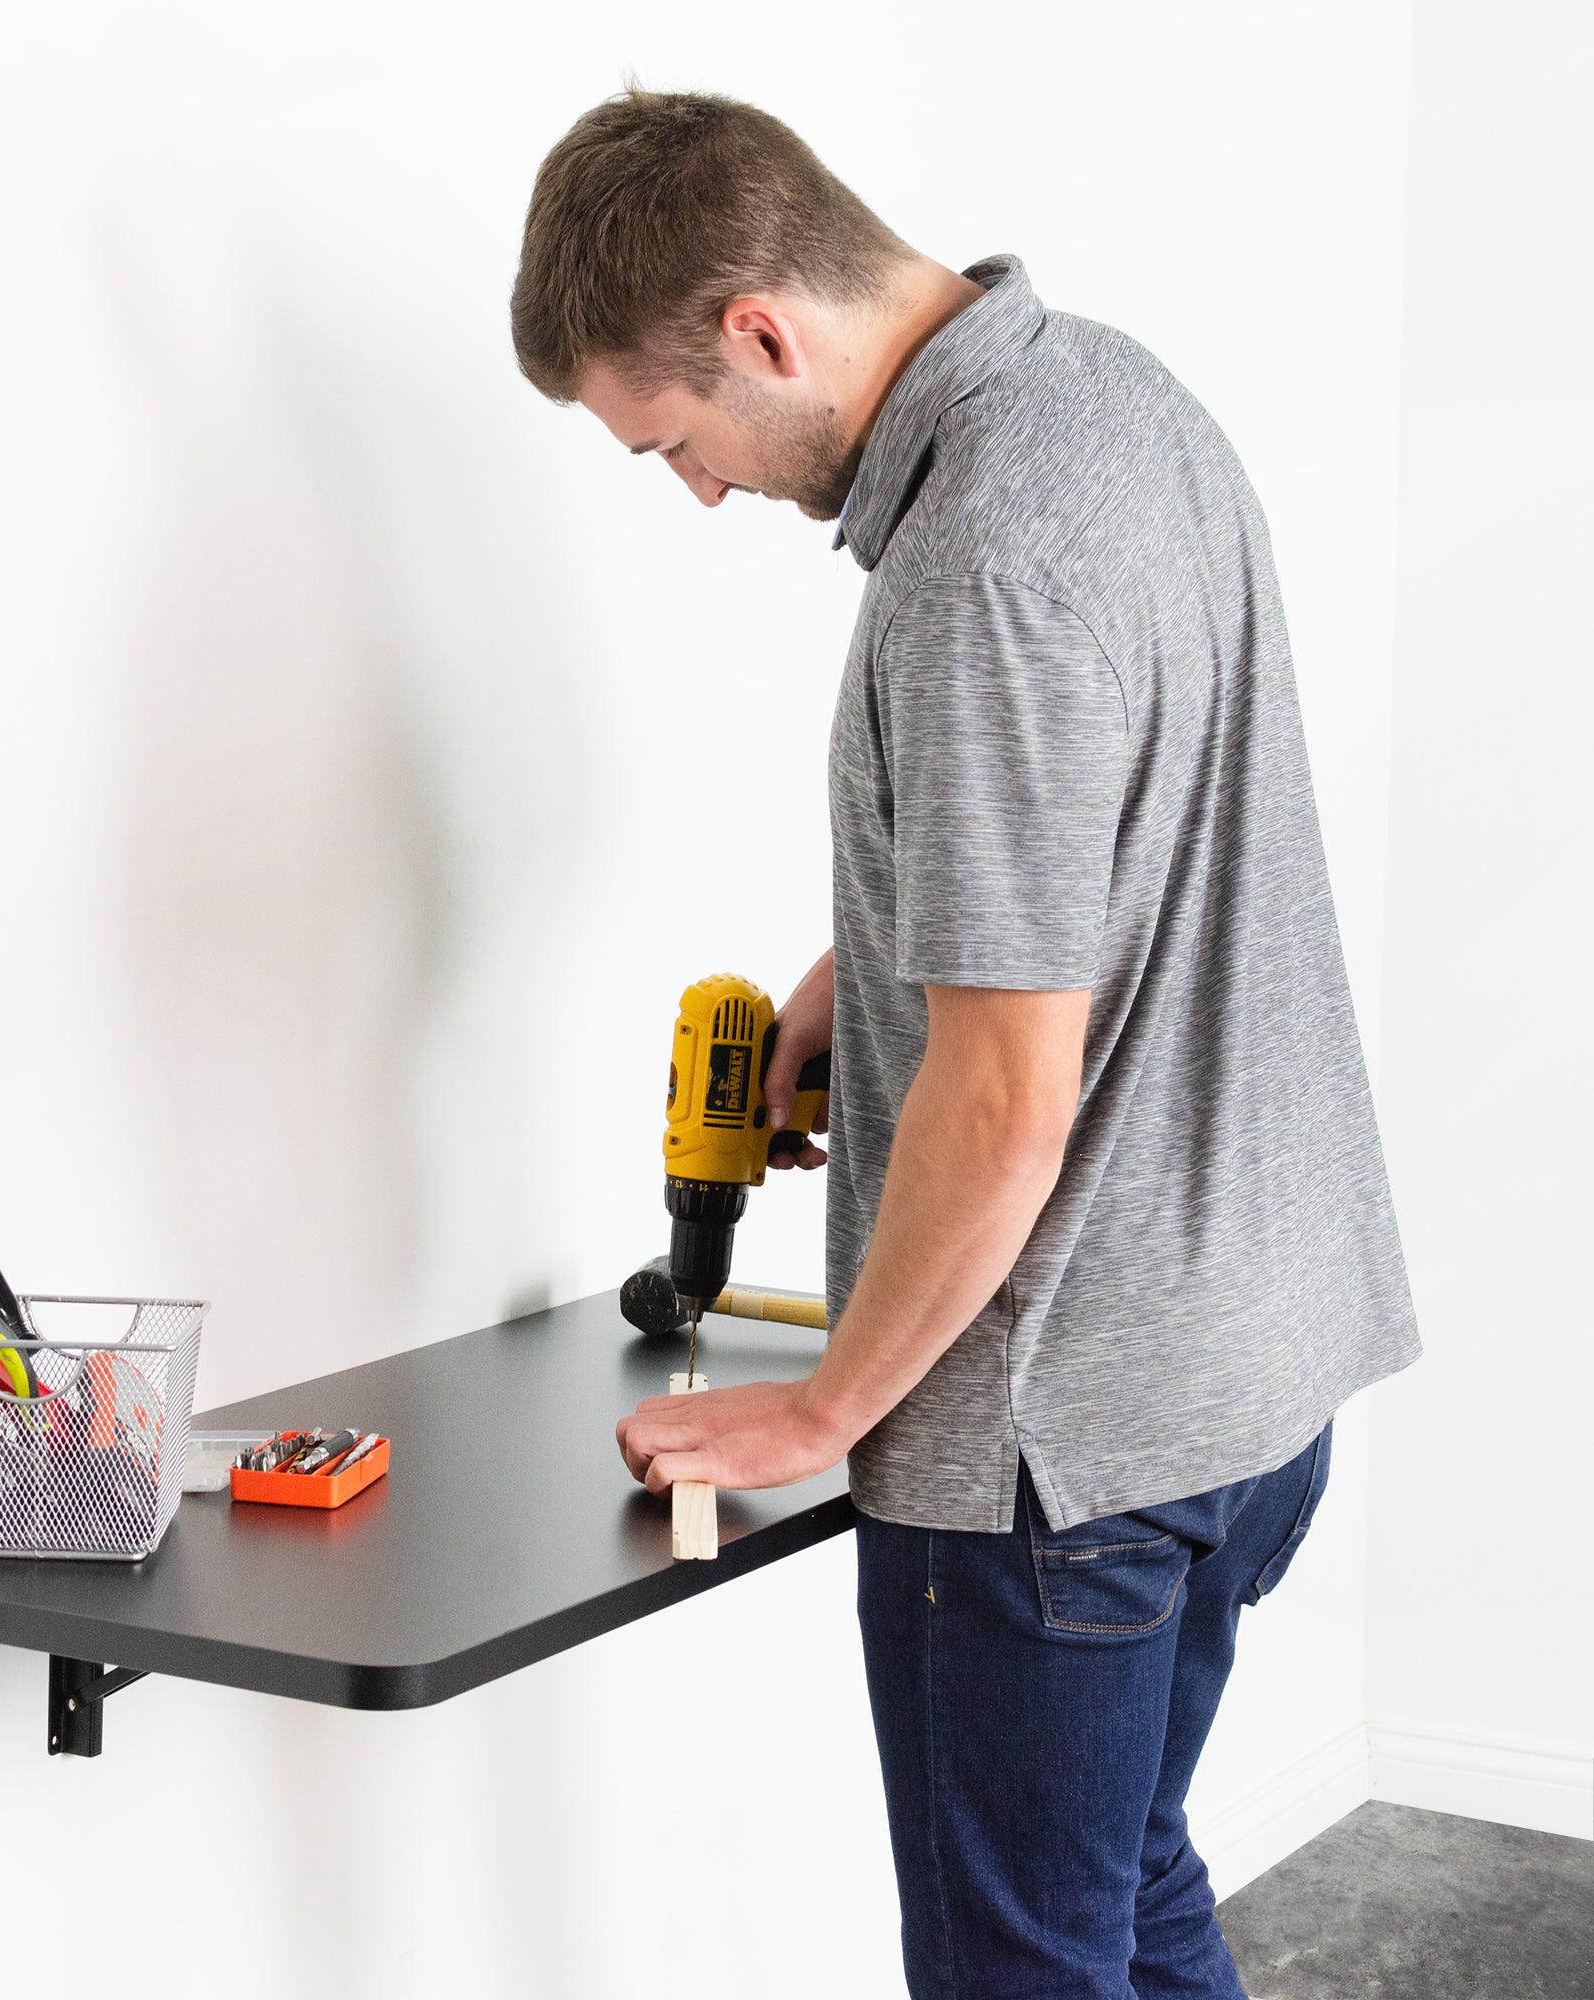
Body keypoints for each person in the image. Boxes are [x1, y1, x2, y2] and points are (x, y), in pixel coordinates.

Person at [511, 91, 1420, 1999]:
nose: (692, 490)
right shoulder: (1110, 400)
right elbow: (1120, 817)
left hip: (1055, 1460)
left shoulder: (977, 566)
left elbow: (1007, 1105)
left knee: (1023, 1965)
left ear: (765, 330)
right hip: (1251, 1377)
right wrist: (881, 967)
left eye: (673, 440)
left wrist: (826, 1406)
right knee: (1127, 1894)